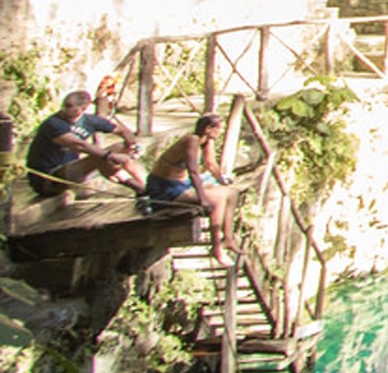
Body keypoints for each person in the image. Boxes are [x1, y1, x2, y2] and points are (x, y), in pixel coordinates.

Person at [148, 114, 238, 265]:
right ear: (208, 129)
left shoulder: (206, 141)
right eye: (219, 129)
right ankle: (216, 248)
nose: (220, 132)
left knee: (231, 193)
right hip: (165, 188)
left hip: (183, 183)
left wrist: (222, 182)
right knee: (218, 200)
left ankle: (228, 238)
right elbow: (193, 172)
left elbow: (211, 164)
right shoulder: (191, 141)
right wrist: (203, 198)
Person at [25, 90, 147, 197]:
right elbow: (79, 145)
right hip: (49, 179)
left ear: (83, 108)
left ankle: (147, 185)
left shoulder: (89, 120)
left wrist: (132, 145)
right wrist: (112, 156)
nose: (63, 109)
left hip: (74, 172)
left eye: (69, 106)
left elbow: (122, 131)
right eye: (64, 105)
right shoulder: (53, 124)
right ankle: (140, 189)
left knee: (121, 148)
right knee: (100, 157)